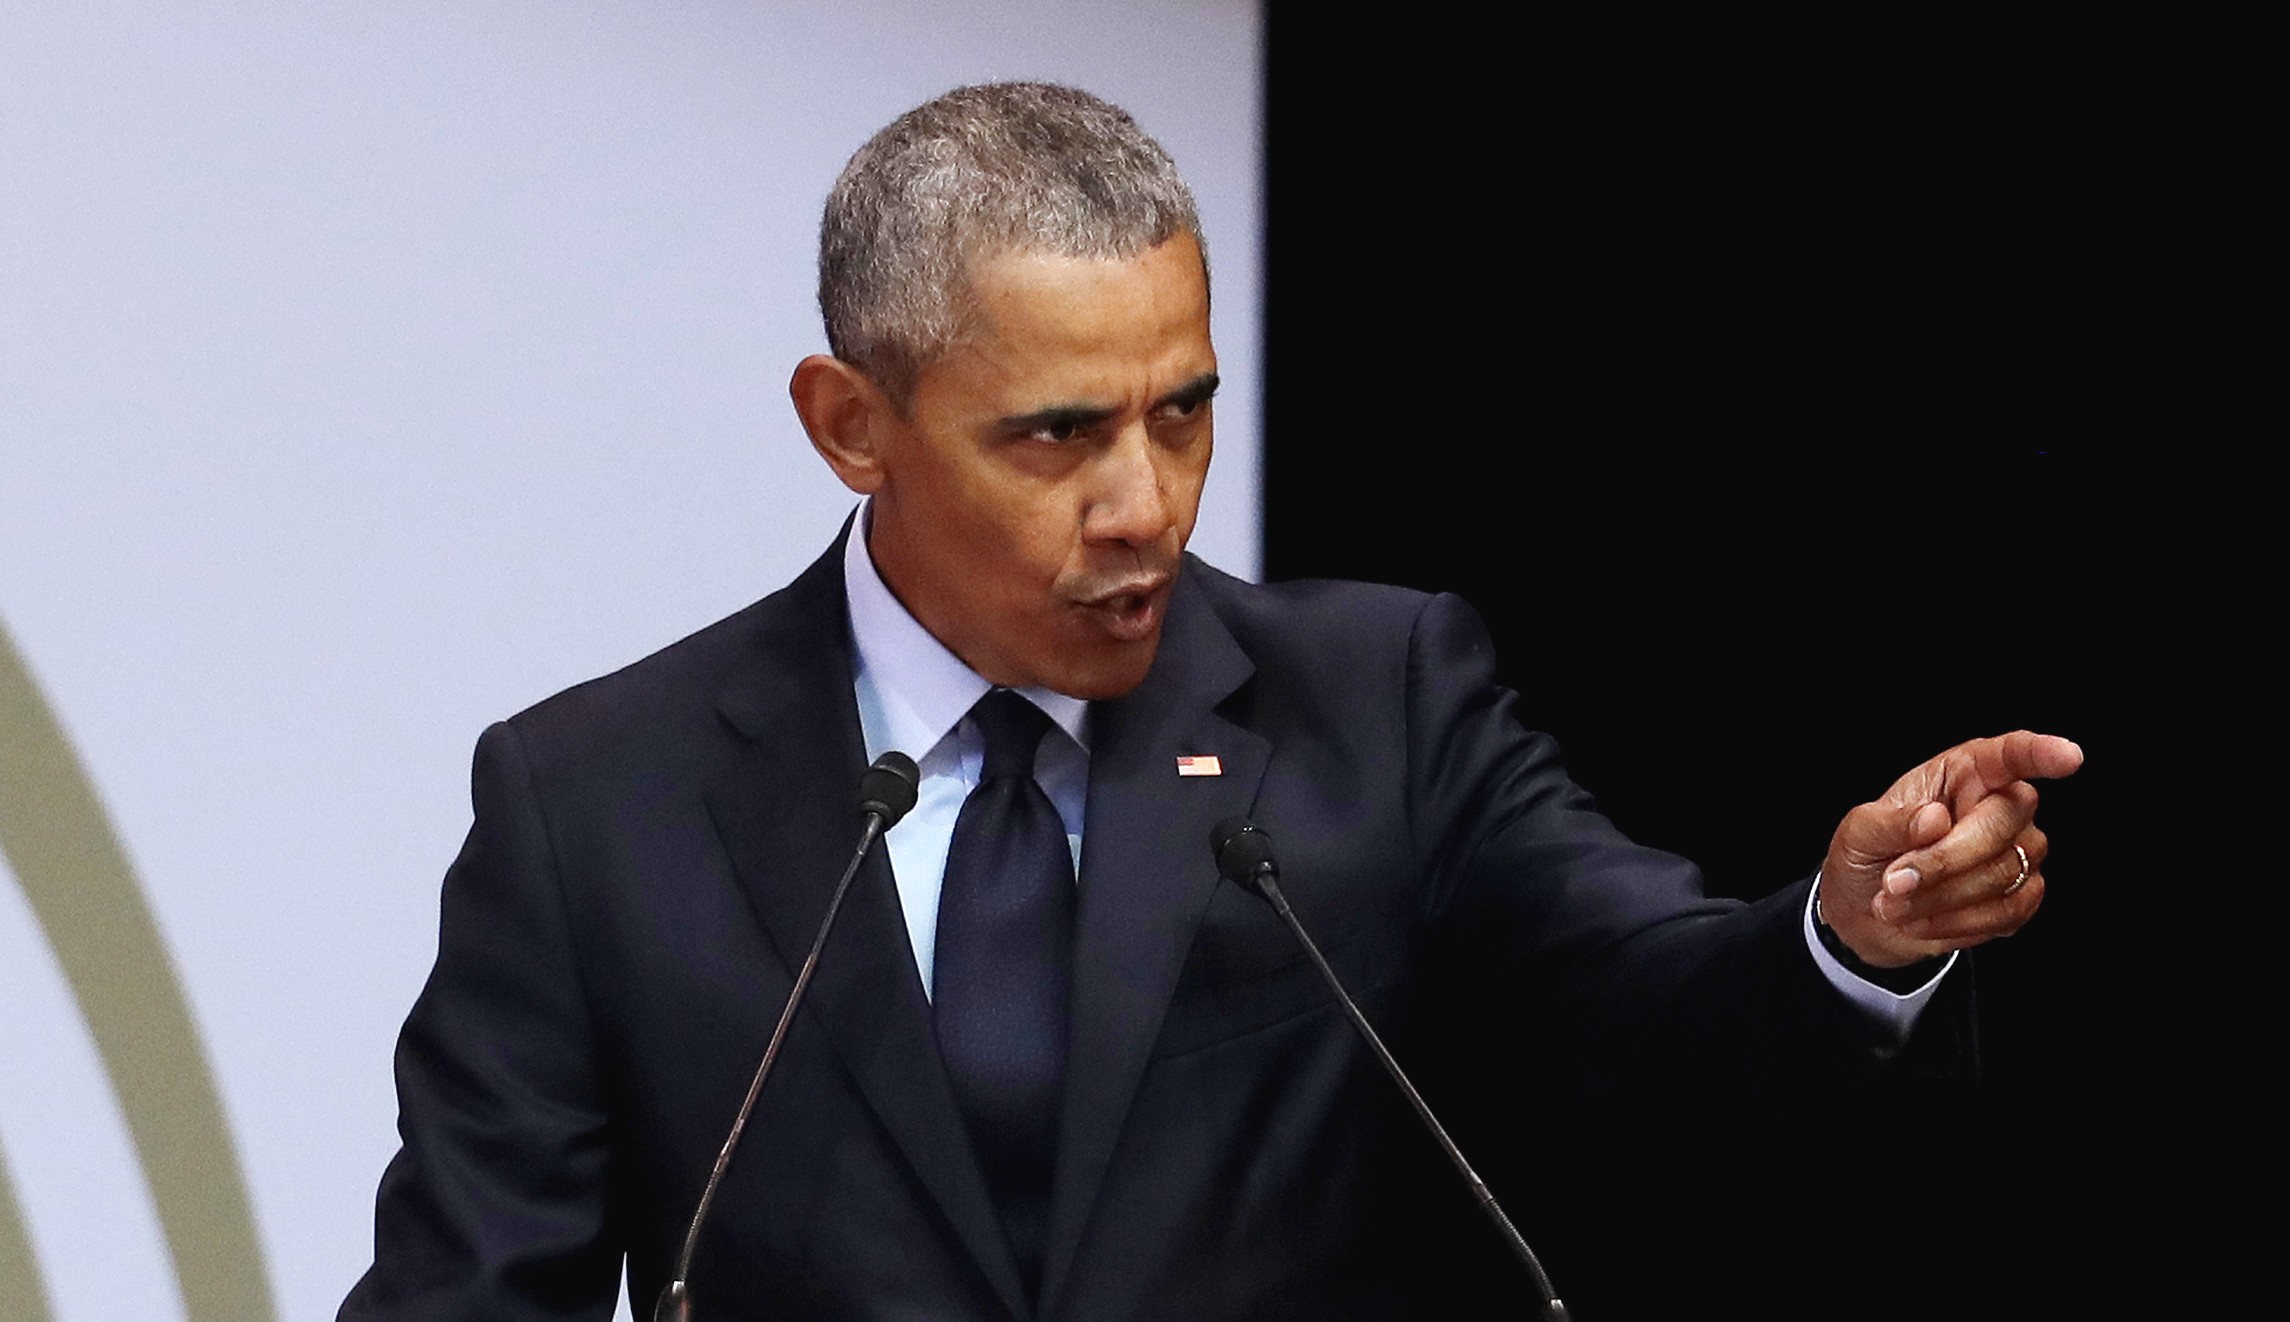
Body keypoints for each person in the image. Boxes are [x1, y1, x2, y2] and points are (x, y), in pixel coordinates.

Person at [339, 83, 2081, 1321]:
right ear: (848, 423)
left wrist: (1847, 935)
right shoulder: (598, 804)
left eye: (1180, 411)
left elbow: (1646, 1001)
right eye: (1056, 434)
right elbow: (468, 1288)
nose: (1145, 502)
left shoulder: (1375, 702)